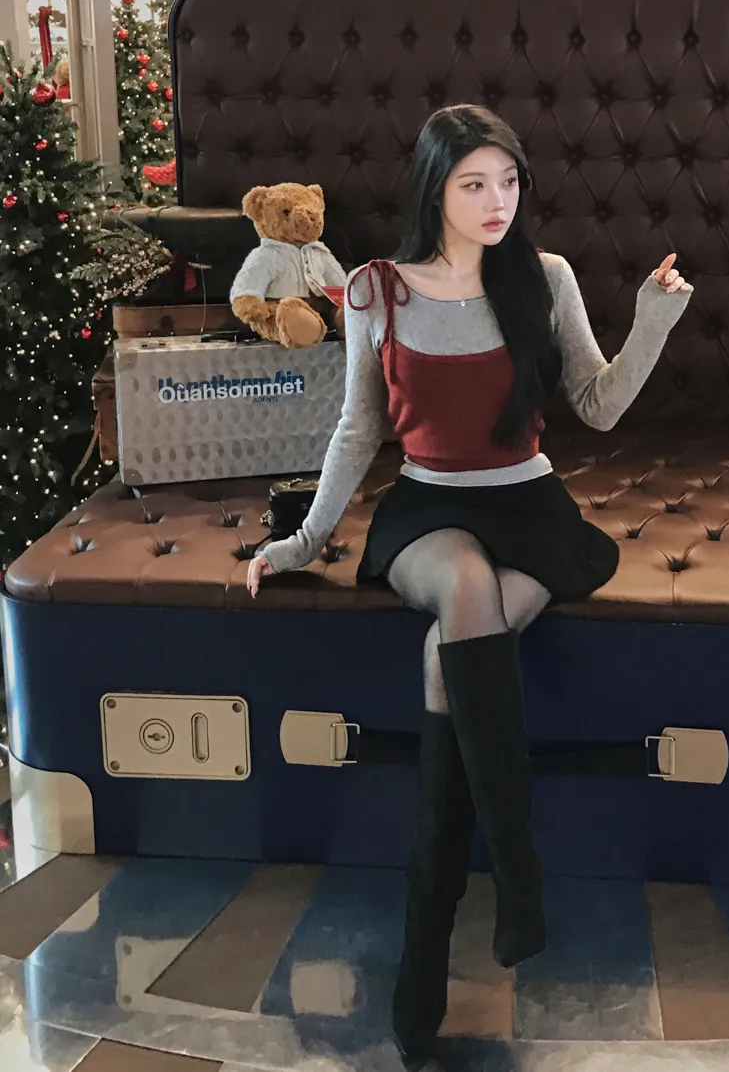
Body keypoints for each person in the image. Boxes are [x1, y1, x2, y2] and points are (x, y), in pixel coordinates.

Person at [246, 104, 693, 1067]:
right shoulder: (375, 289)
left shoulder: (546, 278)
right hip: (427, 509)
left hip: (531, 510)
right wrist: (305, 541)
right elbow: (358, 430)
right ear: (434, 189)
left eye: (510, 182)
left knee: (446, 662)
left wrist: (653, 320)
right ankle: (518, 874)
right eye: (474, 183)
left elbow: (598, 407)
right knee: (462, 591)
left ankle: (425, 958)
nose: (498, 202)